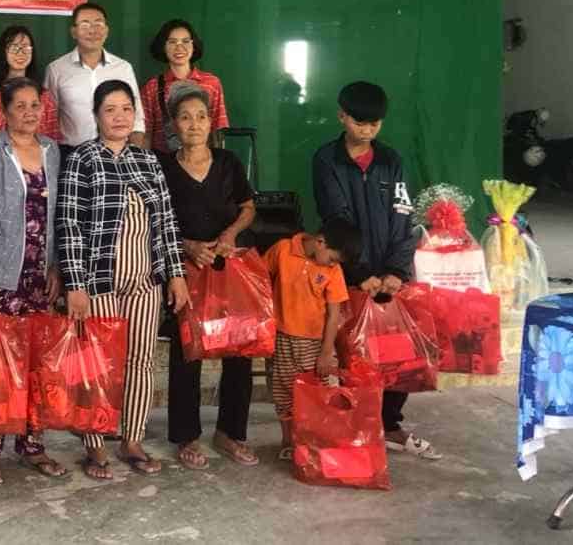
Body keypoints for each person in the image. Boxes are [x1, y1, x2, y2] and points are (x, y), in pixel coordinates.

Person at [58, 79, 190, 480]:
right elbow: (69, 224)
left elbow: (166, 221)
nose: (119, 117)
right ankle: (96, 443)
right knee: (97, 364)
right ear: (96, 116)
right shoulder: (82, 159)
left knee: (140, 360)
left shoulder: (148, 161)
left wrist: (175, 274)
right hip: (99, 280)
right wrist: (75, 283)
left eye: (126, 109)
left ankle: (132, 439)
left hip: (144, 280)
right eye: (110, 110)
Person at [311, 81, 437, 459]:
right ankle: (356, 428)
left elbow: (403, 217)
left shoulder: (391, 160)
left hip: (390, 277)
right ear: (342, 116)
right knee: (355, 355)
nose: (367, 130)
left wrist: (397, 270)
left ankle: (390, 425)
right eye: (359, 122)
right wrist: (359, 272)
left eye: (374, 124)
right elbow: (336, 218)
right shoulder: (326, 160)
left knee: (396, 354)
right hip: (351, 275)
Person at [0, 77, 68, 486]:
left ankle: (32, 446)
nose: (29, 113)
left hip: (41, 278)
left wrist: (56, 267)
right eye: (20, 106)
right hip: (4, 279)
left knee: (38, 367)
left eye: (34, 105)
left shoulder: (51, 150)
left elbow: (58, 216)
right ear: (5, 111)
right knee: (0, 367)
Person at [158, 83, 257, 469]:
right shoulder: (163, 167)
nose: (194, 124)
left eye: (201, 117)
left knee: (238, 349)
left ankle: (230, 432)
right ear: (173, 125)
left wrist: (230, 235)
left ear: (211, 122)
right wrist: (187, 246)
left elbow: (248, 207)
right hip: (184, 272)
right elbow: (154, 220)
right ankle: (187, 436)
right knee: (188, 350)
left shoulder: (228, 162)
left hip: (228, 269)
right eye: (185, 118)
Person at [263, 217, 362, 459]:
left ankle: (317, 442)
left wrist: (326, 352)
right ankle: (288, 442)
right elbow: (260, 279)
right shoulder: (282, 250)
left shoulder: (333, 271)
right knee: (284, 393)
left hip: (316, 343)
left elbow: (334, 314)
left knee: (320, 393)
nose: (333, 264)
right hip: (281, 340)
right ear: (320, 242)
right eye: (333, 258)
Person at [44, 2, 145, 155]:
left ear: (106, 30)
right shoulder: (56, 69)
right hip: (71, 153)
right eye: (85, 25)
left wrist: (133, 154)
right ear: (73, 32)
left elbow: (137, 118)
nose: (92, 30)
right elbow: (48, 119)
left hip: (117, 153)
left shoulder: (123, 68)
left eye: (98, 24)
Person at [141, 19, 230, 154]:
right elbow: (145, 134)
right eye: (172, 42)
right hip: (163, 162)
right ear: (163, 47)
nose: (179, 47)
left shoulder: (212, 83)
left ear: (194, 45)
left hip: (202, 161)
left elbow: (217, 130)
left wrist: (218, 162)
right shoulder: (151, 87)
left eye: (185, 41)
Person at [0, 25, 60, 145]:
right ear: (4, 52)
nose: (20, 53)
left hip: (37, 156)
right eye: (14, 48)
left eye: (26, 47)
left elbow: (52, 140)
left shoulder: (44, 95)